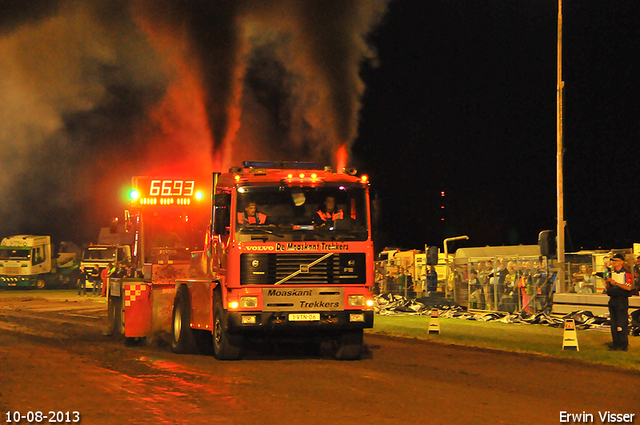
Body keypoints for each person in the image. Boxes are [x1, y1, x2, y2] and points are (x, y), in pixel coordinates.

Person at [604, 253, 633, 351]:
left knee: (622, 323)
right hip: (613, 299)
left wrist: (616, 283)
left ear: (621, 261)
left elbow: (628, 287)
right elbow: (607, 287)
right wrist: (607, 282)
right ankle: (615, 343)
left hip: (622, 300)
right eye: (613, 261)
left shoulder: (627, 274)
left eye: (616, 260)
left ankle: (623, 344)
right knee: (614, 323)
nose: (614, 262)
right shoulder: (610, 273)